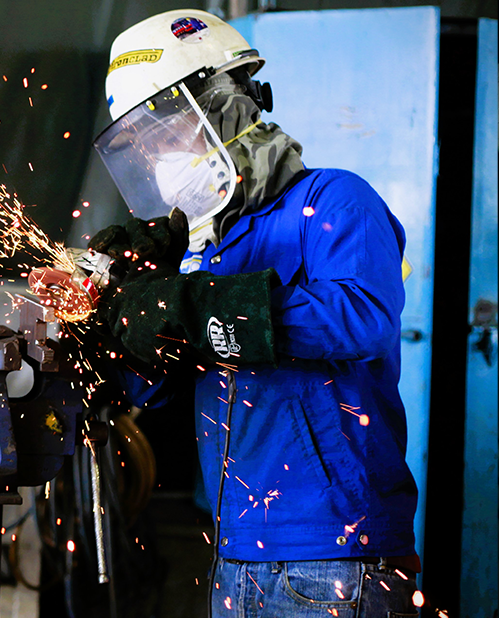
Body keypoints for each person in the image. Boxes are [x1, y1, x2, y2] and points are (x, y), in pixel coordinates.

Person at [86, 10, 420, 617]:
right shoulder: (206, 250)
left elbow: (361, 316)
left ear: (224, 106)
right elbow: (156, 390)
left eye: (163, 130)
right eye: (141, 144)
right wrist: (118, 313)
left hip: (335, 549)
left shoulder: (334, 200)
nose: (156, 154)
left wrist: (195, 304)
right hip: (237, 550)